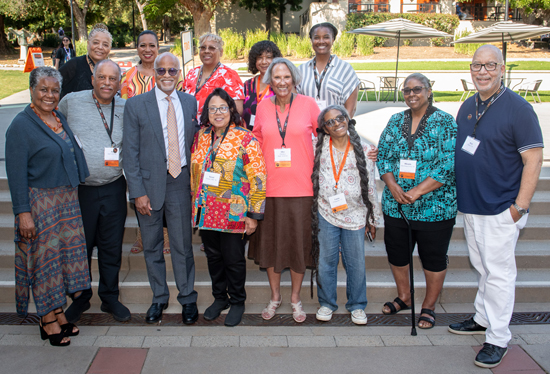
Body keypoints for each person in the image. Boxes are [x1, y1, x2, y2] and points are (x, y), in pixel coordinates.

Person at [449, 45, 543, 369]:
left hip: (501, 208)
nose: (483, 71)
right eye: (477, 65)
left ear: (502, 69)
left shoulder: (518, 109)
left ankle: (498, 338)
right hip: (472, 206)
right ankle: (481, 317)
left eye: (490, 65)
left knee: (499, 274)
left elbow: (533, 159)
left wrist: (520, 207)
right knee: (483, 266)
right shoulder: (468, 105)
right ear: (470, 69)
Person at [5, 66, 90, 346]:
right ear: (31, 89)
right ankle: (47, 319)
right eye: (43, 89)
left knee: (62, 261)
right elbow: (16, 175)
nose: (49, 95)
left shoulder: (57, 117)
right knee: (45, 264)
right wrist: (23, 213)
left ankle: (58, 311)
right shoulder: (21, 125)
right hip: (41, 204)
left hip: (65, 200)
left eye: (55, 90)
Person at [123, 52, 200, 325]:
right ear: (153, 73)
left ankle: (188, 297)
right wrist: (137, 192)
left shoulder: (191, 103)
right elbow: (129, 153)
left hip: (180, 184)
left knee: (182, 245)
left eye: (172, 71)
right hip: (147, 186)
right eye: (161, 70)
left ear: (179, 74)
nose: (167, 75)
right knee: (152, 246)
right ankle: (159, 297)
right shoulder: (136, 105)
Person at [376, 73, 457, 330]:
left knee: (433, 257)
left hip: (436, 206)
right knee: (397, 253)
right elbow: (384, 156)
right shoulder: (395, 120)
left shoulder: (445, 121)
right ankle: (405, 296)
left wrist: (418, 191)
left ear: (429, 91)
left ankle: (429, 305)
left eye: (417, 89)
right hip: (396, 204)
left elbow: (448, 164)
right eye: (407, 90)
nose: (412, 94)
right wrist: (392, 185)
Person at [57, 59, 131, 323]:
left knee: (111, 248)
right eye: (102, 77)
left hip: (113, 187)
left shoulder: (125, 107)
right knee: (80, 247)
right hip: (80, 190)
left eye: (113, 78)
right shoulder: (71, 101)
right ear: (93, 79)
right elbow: (52, 125)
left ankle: (110, 298)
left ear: (119, 82)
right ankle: (81, 298)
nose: (107, 83)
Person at [249, 58, 320, 323]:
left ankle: (296, 299)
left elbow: (327, 134)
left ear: (294, 79)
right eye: (276, 77)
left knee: (299, 247)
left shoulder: (308, 105)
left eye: (286, 77)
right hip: (269, 190)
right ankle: (275, 296)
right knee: (271, 247)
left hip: (302, 189)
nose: (281, 82)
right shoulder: (262, 107)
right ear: (269, 80)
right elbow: (255, 140)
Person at [190, 88, 267, 326]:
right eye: (212, 108)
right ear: (206, 113)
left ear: (231, 110)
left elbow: (258, 176)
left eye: (223, 107)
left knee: (233, 258)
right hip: (207, 210)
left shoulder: (246, 138)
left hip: (235, 211)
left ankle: (237, 301)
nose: (218, 112)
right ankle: (219, 298)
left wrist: (254, 215)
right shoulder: (201, 136)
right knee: (213, 257)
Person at [311, 105, 381, 325]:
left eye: (340, 118)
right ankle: (327, 303)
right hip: (326, 212)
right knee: (326, 261)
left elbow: (370, 185)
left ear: (348, 119)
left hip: (356, 214)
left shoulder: (365, 149)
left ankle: (357, 305)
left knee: (355, 263)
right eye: (330, 122)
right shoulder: (317, 147)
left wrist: (373, 217)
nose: (336, 123)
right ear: (325, 128)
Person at [120, 30, 182, 255]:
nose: (147, 49)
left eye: (152, 45)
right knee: (141, 188)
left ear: (158, 48)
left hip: (167, 144)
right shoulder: (127, 77)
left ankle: (164, 235)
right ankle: (143, 234)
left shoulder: (169, 70)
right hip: (141, 140)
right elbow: (122, 108)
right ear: (137, 48)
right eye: (142, 45)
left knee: (166, 190)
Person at [297, 22, 359, 117]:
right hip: (308, 129)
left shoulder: (345, 69)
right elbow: (296, 102)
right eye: (316, 37)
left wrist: (340, 129)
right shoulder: (301, 70)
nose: (321, 41)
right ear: (311, 40)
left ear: (333, 39)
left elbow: (350, 109)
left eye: (326, 37)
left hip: (335, 128)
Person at [184, 33, 245, 120]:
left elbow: (237, 110)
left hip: (213, 130)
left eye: (212, 48)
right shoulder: (191, 73)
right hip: (189, 129)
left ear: (221, 52)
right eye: (203, 48)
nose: (206, 51)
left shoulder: (229, 75)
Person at [59, 24, 112, 99]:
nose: (100, 47)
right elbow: (52, 84)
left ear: (110, 48)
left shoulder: (112, 70)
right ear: (88, 44)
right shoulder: (74, 65)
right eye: (96, 43)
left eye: (105, 44)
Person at [242, 40, 282, 129]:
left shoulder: (282, 84)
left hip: (273, 136)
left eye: (268, 57)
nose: (264, 62)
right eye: (260, 58)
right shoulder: (247, 85)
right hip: (249, 136)